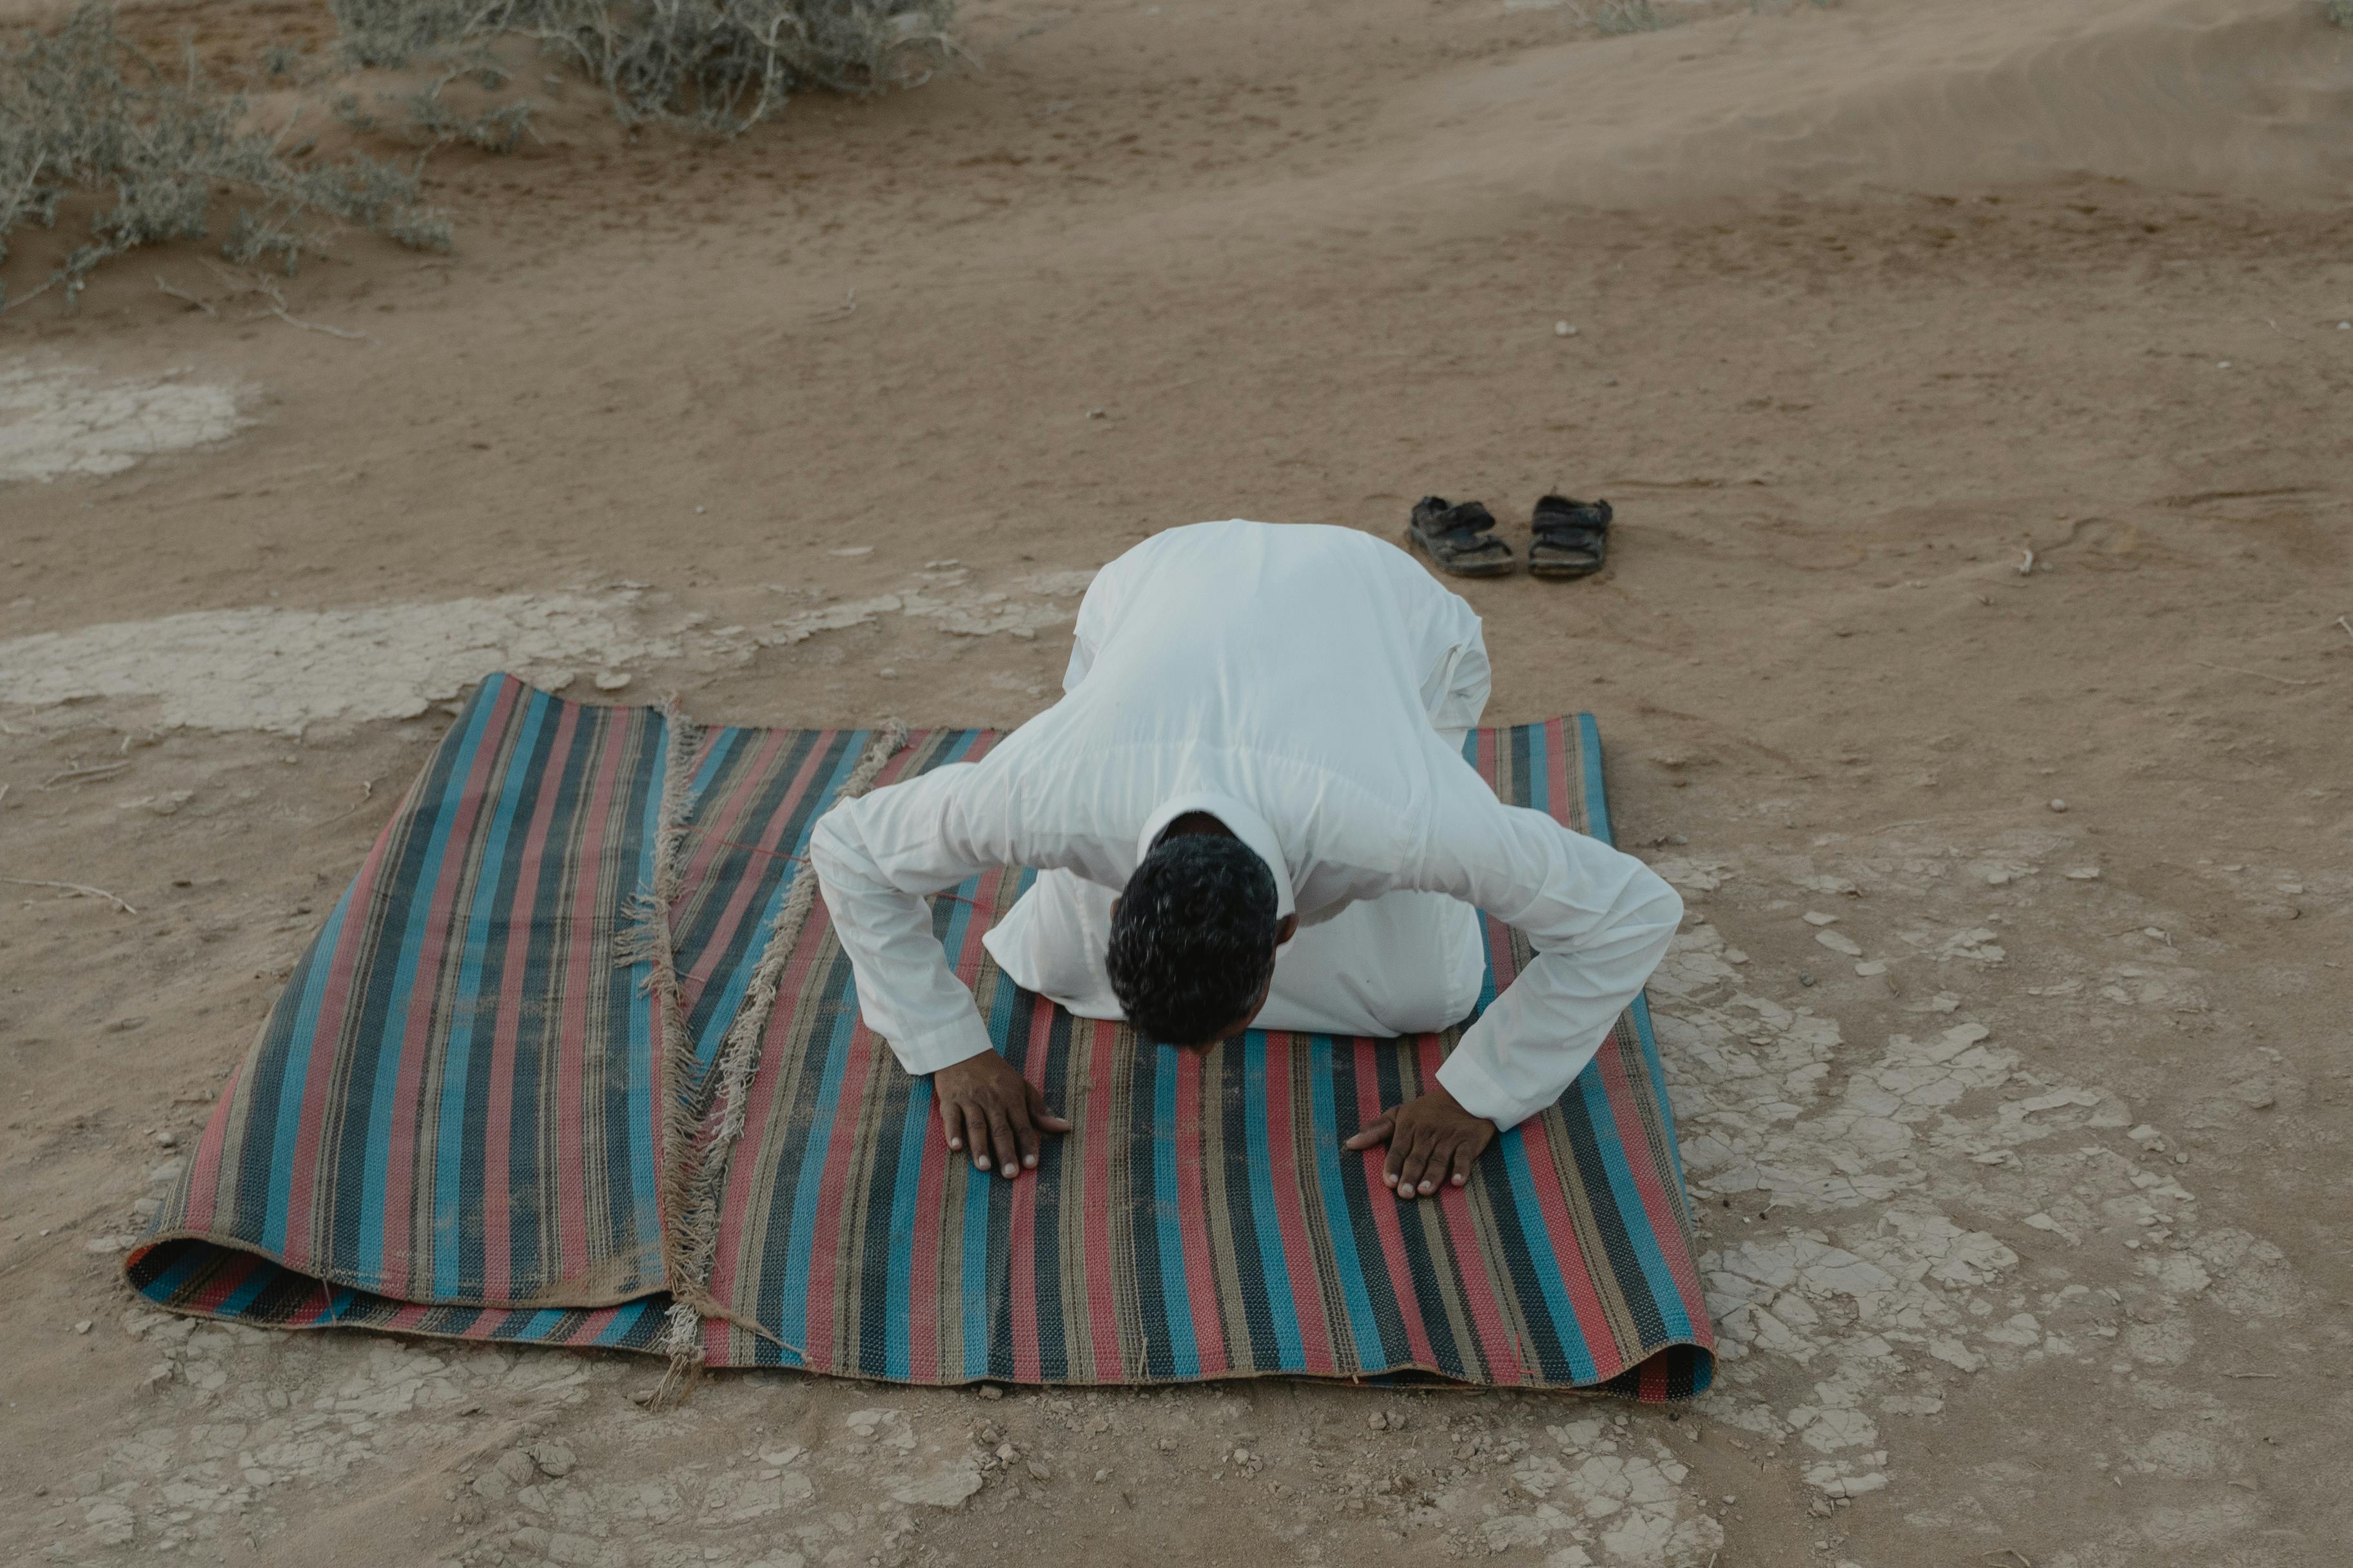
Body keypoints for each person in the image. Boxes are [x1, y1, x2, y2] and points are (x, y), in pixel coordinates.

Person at [808, 519, 1682, 1204]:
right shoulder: (1041, 793)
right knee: (1052, 966)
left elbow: (1633, 912)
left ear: (1286, 927)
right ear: (1119, 901)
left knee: (1429, 993)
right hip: (1157, 578)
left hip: (1388, 609)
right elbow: (847, 847)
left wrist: (1479, 1092)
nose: (1194, 1070)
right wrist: (945, 1045)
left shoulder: (1411, 817)